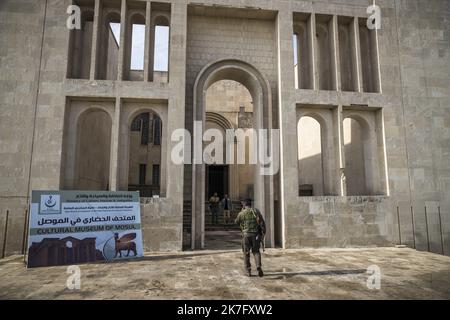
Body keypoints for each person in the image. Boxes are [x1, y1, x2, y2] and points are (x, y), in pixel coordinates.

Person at [235, 198, 266, 277]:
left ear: (244, 205)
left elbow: (236, 222)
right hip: (255, 235)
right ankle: (258, 266)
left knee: (246, 253)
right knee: (256, 251)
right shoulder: (256, 211)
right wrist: (263, 233)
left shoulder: (242, 213)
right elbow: (262, 223)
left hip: (246, 235)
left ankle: (248, 271)